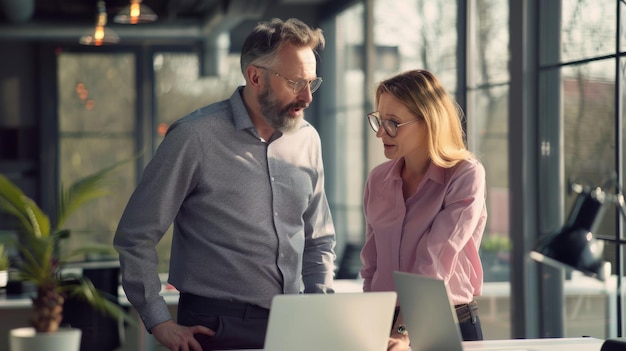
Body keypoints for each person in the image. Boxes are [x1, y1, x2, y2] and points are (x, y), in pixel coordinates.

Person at [113, 18, 336, 351]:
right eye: (295, 83)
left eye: (312, 83)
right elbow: (135, 235)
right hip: (214, 327)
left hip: (294, 323)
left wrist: (318, 308)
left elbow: (319, 239)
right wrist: (158, 320)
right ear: (255, 77)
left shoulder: (308, 140)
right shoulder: (194, 137)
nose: (307, 97)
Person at [360, 69, 487, 351]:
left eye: (393, 123)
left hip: (447, 323)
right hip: (385, 326)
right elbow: (371, 265)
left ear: (428, 122)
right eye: (379, 121)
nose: (381, 132)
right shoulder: (378, 180)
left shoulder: (465, 175)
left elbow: (434, 263)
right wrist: (371, 324)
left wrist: (404, 331)